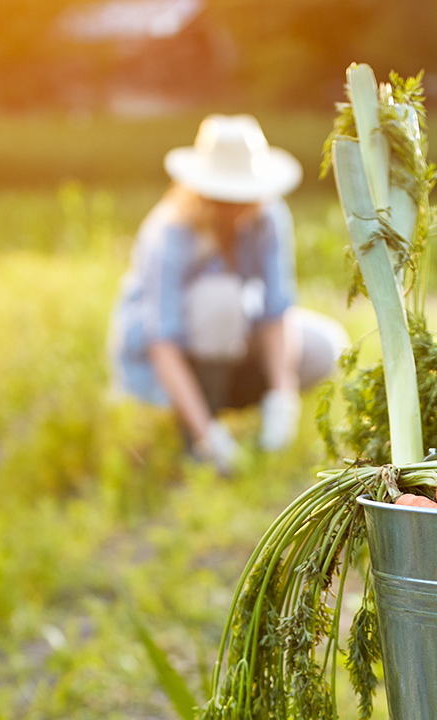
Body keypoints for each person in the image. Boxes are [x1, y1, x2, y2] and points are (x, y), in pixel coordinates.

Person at [109, 114, 348, 473]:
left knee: (325, 346)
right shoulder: (170, 232)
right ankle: (199, 433)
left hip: (230, 339)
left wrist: (283, 397)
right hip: (165, 363)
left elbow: (276, 310)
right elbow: (163, 342)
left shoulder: (268, 217)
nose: (237, 206)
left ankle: (250, 424)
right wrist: (206, 433)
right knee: (218, 301)